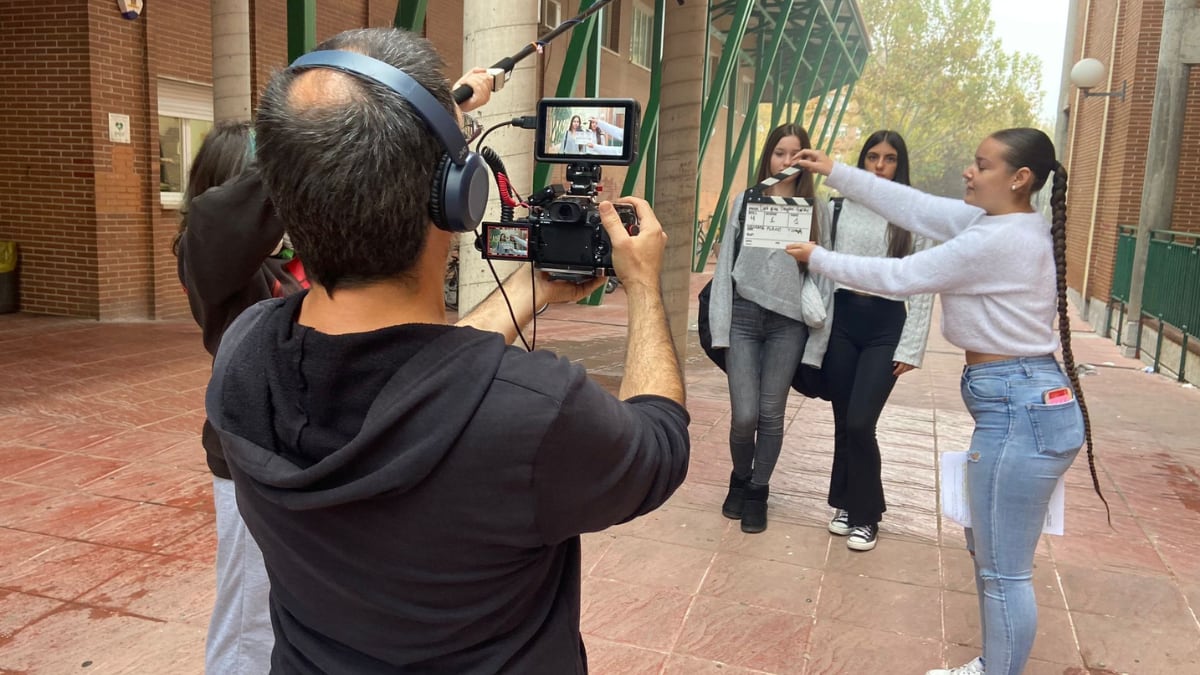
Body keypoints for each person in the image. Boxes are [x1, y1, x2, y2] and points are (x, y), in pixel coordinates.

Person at [206, 27, 690, 673]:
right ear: (460, 196)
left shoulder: (243, 356)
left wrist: (526, 292)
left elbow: (424, 384)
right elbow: (661, 443)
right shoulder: (537, 415)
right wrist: (644, 288)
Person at [177, 52, 498, 675]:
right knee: (249, 625)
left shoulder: (298, 261)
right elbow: (219, 223)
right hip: (254, 459)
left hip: (318, 456)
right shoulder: (217, 268)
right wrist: (393, 125)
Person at [786, 128, 1106, 675]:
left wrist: (820, 257)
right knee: (991, 557)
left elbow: (903, 275)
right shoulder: (1001, 221)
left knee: (1003, 570)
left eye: (981, 165)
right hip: (1019, 404)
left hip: (1020, 409)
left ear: (1018, 178)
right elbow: (916, 206)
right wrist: (836, 171)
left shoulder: (999, 239)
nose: (969, 172)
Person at [806, 130, 934, 552]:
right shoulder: (839, 207)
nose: (880, 165)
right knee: (845, 420)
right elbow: (822, 268)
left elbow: (923, 284)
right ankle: (844, 504)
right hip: (842, 319)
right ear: (861, 162)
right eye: (873, 157)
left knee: (862, 421)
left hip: (886, 326)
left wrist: (911, 347)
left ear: (901, 164)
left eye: (890, 158)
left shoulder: (913, 213)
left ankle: (867, 514)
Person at [709, 123, 829, 533]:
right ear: (768, 157)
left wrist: (816, 345)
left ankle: (758, 490)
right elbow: (725, 266)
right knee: (744, 415)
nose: (787, 161)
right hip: (743, 317)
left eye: (796, 154)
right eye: (780, 153)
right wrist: (720, 329)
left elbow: (826, 277)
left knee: (771, 413)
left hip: (789, 324)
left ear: (807, 160)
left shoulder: (818, 208)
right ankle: (740, 477)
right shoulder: (746, 200)